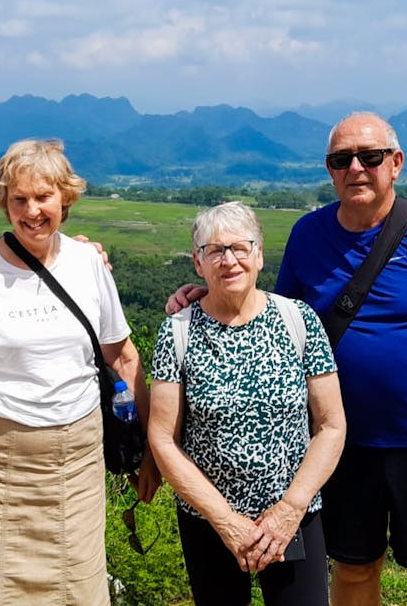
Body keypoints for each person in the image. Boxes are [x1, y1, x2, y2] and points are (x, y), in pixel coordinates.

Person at [170, 112, 407, 606]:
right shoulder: (310, 235)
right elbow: (271, 318)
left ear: (396, 164)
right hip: (340, 443)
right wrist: (214, 291)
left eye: (369, 157)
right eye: (340, 159)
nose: (356, 168)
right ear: (329, 170)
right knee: (353, 571)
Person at [0, 138, 161, 606]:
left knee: (79, 585)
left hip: (77, 463)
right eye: (19, 199)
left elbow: (122, 355)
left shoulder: (88, 263)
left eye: (43, 197)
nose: (31, 211)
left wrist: (147, 447)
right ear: (3, 202)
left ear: (64, 198)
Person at [148, 202, 345, 606]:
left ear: (259, 254)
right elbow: (163, 438)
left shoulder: (299, 320)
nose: (229, 260)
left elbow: (331, 424)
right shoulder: (177, 332)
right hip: (209, 520)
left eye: (240, 247)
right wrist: (225, 520)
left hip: (293, 517)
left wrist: (290, 509)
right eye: (215, 251)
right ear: (198, 263)